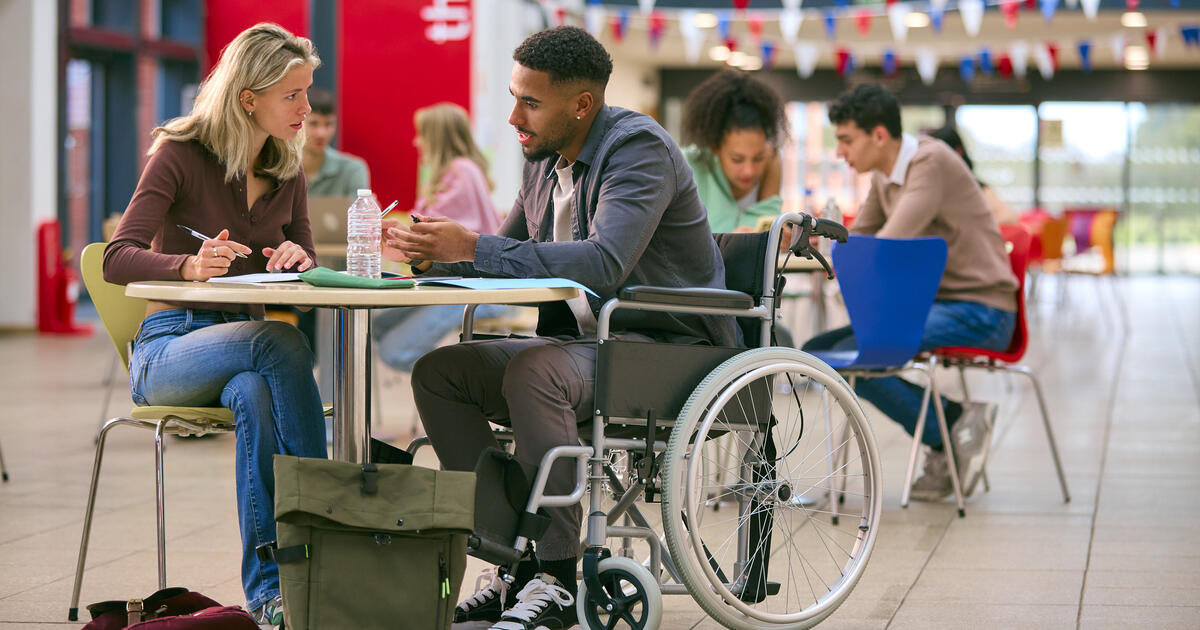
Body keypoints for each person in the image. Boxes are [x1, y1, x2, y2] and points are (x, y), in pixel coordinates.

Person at [382, 26, 737, 630]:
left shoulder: (638, 151)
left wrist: (473, 245)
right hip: (587, 346)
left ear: (581, 104)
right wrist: (428, 252)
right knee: (441, 372)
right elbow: (502, 253)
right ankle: (514, 560)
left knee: (534, 370)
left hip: (669, 347)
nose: (514, 116)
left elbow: (603, 263)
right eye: (514, 97)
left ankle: (557, 576)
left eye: (531, 102)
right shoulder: (544, 163)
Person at [102, 23, 326, 628]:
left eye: (307, 92)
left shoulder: (287, 169)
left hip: (247, 354)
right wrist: (187, 265)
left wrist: (299, 260)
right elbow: (116, 256)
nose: (307, 108)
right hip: (170, 349)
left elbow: (308, 263)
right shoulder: (179, 154)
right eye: (293, 95)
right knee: (280, 340)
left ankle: (271, 595)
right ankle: (324, 530)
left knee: (256, 389)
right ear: (248, 98)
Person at [801, 84, 1020, 503]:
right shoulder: (886, 176)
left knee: (857, 355)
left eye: (846, 140)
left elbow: (887, 245)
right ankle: (954, 421)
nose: (840, 152)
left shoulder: (929, 162)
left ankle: (948, 430)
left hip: (982, 310)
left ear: (879, 135)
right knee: (820, 353)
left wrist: (848, 260)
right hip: (934, 307)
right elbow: (856, 241)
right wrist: (818, 242)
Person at [371, 103, 508, 372]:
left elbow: (434, 233)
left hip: (480, 288)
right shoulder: (452, 173)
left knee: (395, 351)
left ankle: (461, 383)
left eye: (421, 134)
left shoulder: (461, 172)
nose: (416, 141)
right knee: (379, 326)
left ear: (437, 137)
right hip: (459, 283)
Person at [680, 69, 786, 233]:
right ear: (715, 147)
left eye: (758, 158)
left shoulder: (771, 159)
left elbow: (767, 222)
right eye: (737, 159)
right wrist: (733, 241)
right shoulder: (687, 165)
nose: (749, 171)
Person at [927, 126, 1018, 225]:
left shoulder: (976, 187)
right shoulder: (932, 189)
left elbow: (1008, 216)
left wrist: (977, 227)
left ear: (958, 152)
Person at [302, 87, 370, 195]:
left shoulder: (352, 169)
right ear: (298, 124)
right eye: (313, 124)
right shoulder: (280, 169)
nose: (322, 133)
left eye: (328, 124)